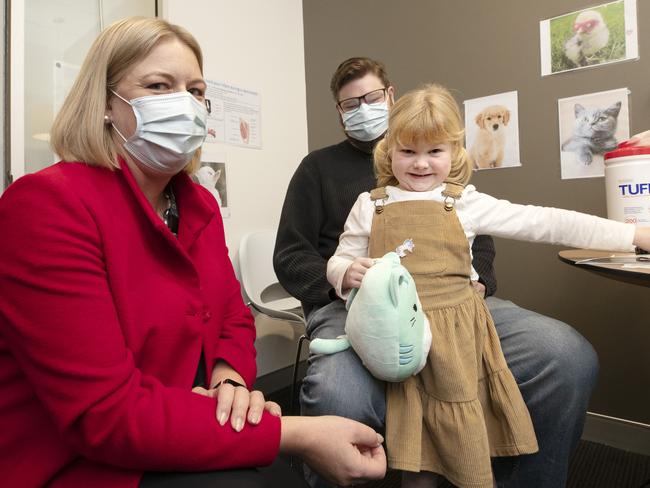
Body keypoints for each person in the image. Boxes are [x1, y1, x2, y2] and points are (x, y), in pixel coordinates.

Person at [0, 19, 386, 488]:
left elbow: (232, 317)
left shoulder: (195, 203)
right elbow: (104, 414)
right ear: (104, 103)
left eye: (195, 90)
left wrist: (230, 380)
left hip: (184, 416)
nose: (185, 103)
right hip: (88, 458)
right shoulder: (45, 205)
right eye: (159, 86)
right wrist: (295, 432)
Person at [273, 57, 600, 487]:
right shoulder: (319, 171)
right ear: (339, 111)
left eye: (371, 98)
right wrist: (345, 280)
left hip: (454, 297)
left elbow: (482, 239)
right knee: (337, 394)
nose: (420, 164)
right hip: (355, 304)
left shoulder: (448, 179)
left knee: (566, 355)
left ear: (391, 96)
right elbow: (291, 255)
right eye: (349, 104)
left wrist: (478, 280)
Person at [326, 83, 650, 488]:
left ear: (454, 153)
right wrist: (344, 274)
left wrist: (632, 235)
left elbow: (545, 221)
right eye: (408, 151)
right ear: (389, 151)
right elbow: (339, 258)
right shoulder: (369, 205)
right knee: (416, 464)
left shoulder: (464, 201)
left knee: (463, 449)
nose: (421, 164)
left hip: (456, 341)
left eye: (435, 152)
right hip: (397, 336)